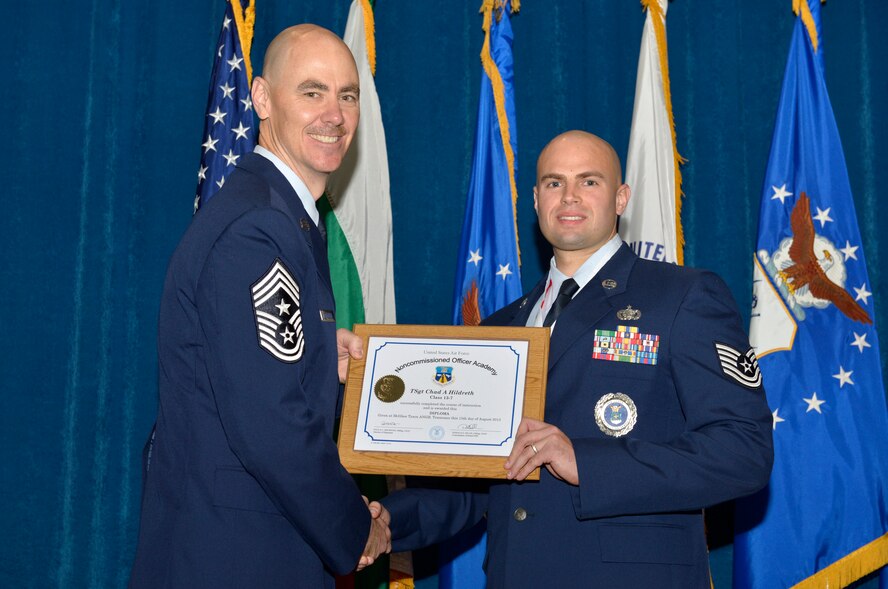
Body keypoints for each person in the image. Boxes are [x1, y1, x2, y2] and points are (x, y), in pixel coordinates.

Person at [381, 131, 773, 588]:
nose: (569, 196)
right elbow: (478, 479)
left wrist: (585, 463)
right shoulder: (500, 328)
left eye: (589, 181)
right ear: (535, 199)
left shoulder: (682, 296)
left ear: (621, 198)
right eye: (554, 182)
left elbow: (743, 451)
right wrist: (385, 523)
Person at [129, 25, 389, 589]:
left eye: (347, 96)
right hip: (236, 558)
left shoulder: (279, 216)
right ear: (263, 99)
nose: (335, 115)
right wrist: (354, 529)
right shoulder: (259, 227)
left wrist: (319, 353)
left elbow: (247, 371)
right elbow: (272, 423)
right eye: (313, 92)